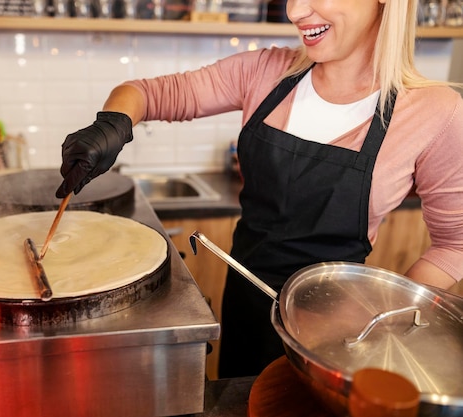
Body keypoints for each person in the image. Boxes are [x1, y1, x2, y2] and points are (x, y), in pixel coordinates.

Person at [55, 0, 463, 378]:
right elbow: (147, 93)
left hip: (340, 336)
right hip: (246, 304)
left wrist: (384, 314)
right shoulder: (265, 73)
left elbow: (455, 245)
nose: (295, 10)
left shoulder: (434, 112)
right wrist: (111, 123)